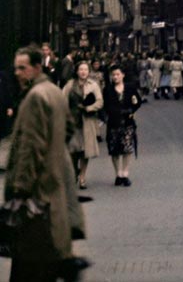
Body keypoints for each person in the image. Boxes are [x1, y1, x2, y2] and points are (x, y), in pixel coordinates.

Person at [5, 45, 88, 282]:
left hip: (36, 199)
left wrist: (19, 191)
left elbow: (29, 150)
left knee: (29, 267)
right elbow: (69, 127)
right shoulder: (53, 92)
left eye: (23, 68)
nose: (18, 73)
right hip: (54, 195)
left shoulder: (35, 98)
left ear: (37, 67)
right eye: (16, 69)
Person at [62, 60, 103, 189]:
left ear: (89, 71)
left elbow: (100, 101)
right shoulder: (69, 85)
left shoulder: (93, 85)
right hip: (72, 122)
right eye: (81, 69)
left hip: (87, 121)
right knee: (72, 150)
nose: (83, 72)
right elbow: (62, 100)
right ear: (77, 71)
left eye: (86, 69)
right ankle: (74, 170)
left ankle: (83, 177)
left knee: (85, 151)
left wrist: (89, 108)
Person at [103, 63, 142, 186]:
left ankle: (125, 173)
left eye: (118, 74)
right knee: (114, 149)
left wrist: (132, 110)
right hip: (113, 122)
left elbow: (138, 101)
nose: (115, 77)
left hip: (127, 122)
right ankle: (117, 174)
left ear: (123, 75)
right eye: (113, 75)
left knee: (127, 148)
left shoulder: (130, 88)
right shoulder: (107, 90)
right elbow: (105, 106)